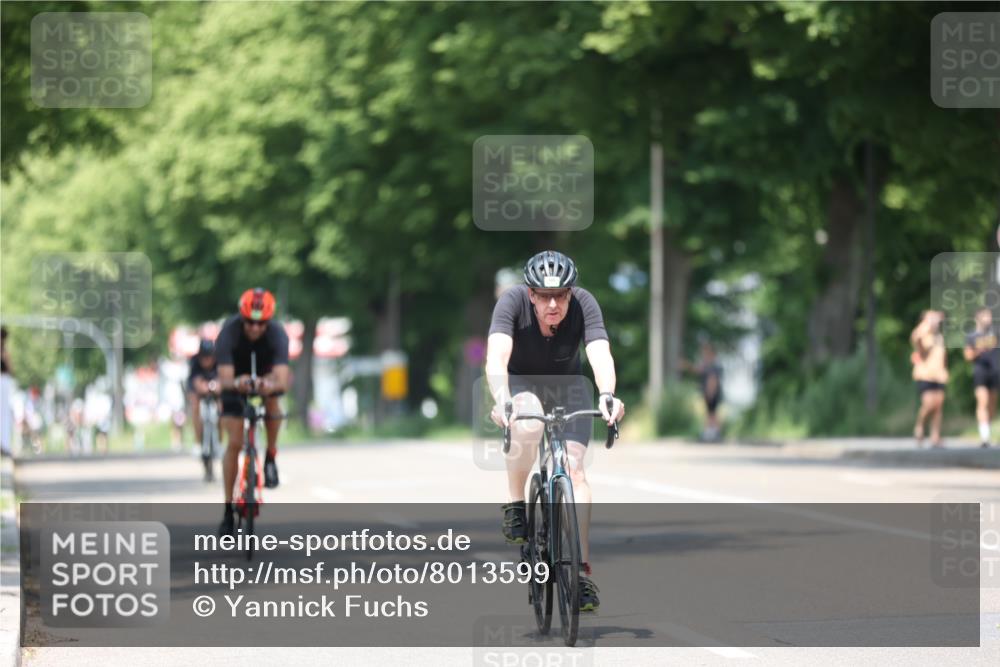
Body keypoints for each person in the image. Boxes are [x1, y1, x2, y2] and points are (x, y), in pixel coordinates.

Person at [486, 250, 625, 613]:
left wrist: (608, 395)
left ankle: (578, 574)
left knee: (575, 469)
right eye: (544, 296)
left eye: (561, 296)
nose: (553, 304)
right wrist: (502, 398)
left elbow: (599, 352)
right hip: (522, 383)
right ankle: (516, 506)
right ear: (530, 293)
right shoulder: (511, 302)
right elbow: (497, 357)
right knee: (529, 422)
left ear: (570, 293)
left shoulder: (585, 305)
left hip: (569, 386)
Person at [215, 288, 290, 535]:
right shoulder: (228, 332)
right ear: (241, 318)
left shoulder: (278, 334)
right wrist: (239, 382)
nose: (255, 328)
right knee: (234, 442)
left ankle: (270, 456)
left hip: (265, 376)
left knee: (273, 404)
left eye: (261, 323)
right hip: (236, 380)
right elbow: (224, 379)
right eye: (249, 322)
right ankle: (228, 510)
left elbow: (282, 379)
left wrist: (269, 383)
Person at [910, 310, 947, 448]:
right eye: (930, 318)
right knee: (928, 404)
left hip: (939, 375)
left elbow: (943, 356)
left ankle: (935, 436)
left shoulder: (939, 337)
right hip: (925, 374)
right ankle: (919, 426)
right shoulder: (921, 334)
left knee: (938, 406)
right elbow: (917, 341)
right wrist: (927, 324)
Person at [964, 308, 999, 448]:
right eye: (985, 316)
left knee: (992, 405)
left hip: (995, 371)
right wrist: (978, 351)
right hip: (980, 371)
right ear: (978, 318)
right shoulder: (972, 336)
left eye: (989, 316)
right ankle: (985, 437)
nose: (988, 318)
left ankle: (987, 430)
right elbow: (967, 356)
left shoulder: (996, 333)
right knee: (982, 402)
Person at [187, 338, 221, 480]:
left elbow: (222, 380)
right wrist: (202, 387)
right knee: (194, 404)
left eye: (209, 357)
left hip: (215, 389)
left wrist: (217, 387)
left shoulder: (219, 361)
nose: (207, 361)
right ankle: (197, 441)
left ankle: (220, 440)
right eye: (204, 358)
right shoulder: (194, 361)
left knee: (222, 405)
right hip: (199, 389)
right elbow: (195, 381)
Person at [684, 341, 723, 442]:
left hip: (712, 393)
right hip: (709, 393)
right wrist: (687, 365)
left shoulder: (713, 365)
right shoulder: (707, 364)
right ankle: (710, 432)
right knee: (710, 412)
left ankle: (713, 433)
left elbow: (713, 379)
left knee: (712, 413)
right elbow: (697, 369)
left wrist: (710, 392)